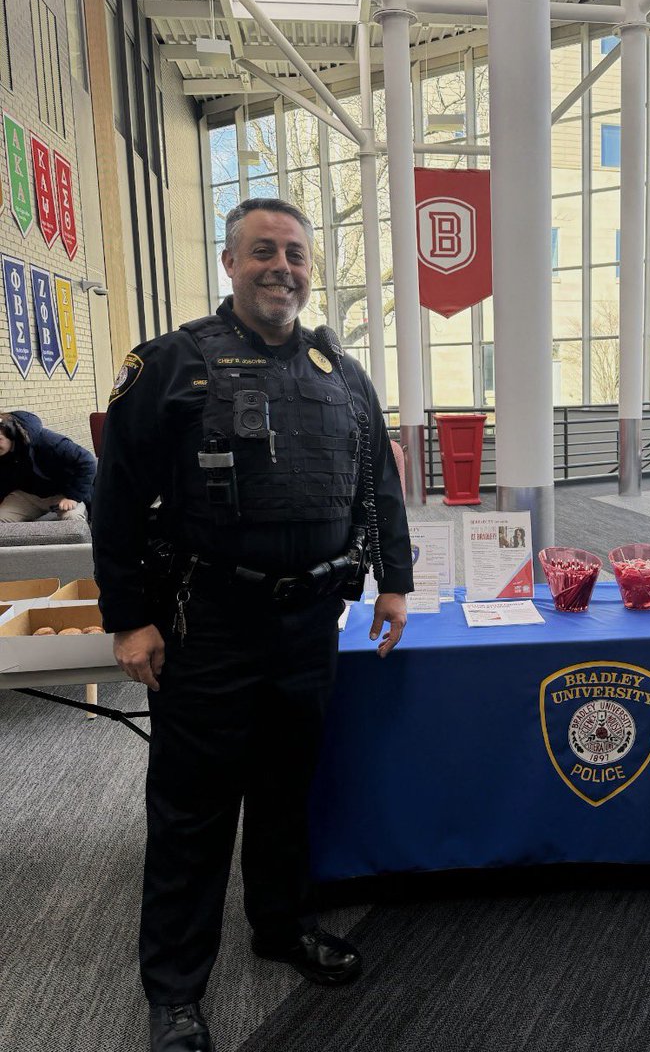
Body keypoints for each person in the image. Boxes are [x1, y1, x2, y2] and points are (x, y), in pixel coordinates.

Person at [92, 198, 413, 1052]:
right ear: (230, 264)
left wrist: (396, 584)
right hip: (208, 625)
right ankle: (174, 991)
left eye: (296, 254)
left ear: (311, 270)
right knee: (192, 815)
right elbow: (113, 499)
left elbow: (377, 484)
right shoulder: (171, 363)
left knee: (284, 794)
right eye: (263, 252)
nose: (282, 267)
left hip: (310, 621)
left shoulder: (340, 371)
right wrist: (127, 620)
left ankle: (279, 927)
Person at [0, 411, 95, 522]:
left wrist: (73, 497)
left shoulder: (49, 441)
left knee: (72, 519)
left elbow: (87, 461)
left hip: (64, 492)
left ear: (11, 435)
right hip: (27, 495)